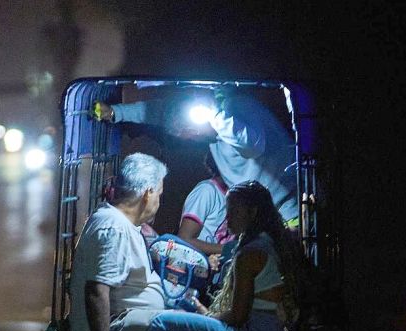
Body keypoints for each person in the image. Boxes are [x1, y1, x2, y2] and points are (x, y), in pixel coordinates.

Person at [95, 88, 298, 249]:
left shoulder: (236, 109)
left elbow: (253, 146)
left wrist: (215, 116)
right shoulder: (211, 138)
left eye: (188, 131)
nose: (189, 136)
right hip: (257, 215)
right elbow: (159, 112)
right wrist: (115, 112)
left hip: (288, 204)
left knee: (291, 258)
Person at [149, 181, 300, 331]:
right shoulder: (270, 243)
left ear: (252, 213)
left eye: (234, 211)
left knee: (161, 323)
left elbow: (237, 317)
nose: (228, 217)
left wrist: (207, 315)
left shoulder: (251, 254)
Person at [68, 152, 168, 331]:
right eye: (159, 194)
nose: (159, 202)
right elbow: (97, 289)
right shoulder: (115, 227)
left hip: (131, 328)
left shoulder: (123, 224)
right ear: (148, 193)